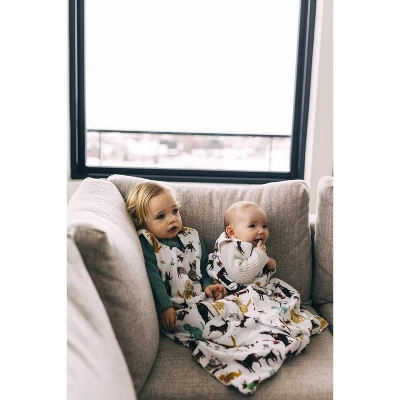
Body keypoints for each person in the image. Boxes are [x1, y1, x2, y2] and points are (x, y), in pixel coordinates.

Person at [126, 181, 227, 333]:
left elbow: (204, 267)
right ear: (141, 222)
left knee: (231, 309)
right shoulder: (148, 242)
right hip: (176, 306)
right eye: (161, 216)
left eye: (175, 211)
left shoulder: (193, 236)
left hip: (202, 299)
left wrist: (208, 286)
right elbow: (152, 277)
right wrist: (165, 306)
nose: (172, 219)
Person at [208, 201, 277, 289]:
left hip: (257, 288)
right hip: (232, 290)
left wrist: (268, 263)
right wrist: (260, 256)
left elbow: (256, 267)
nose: (261, 231)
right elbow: (239, 275)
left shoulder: (256, 246)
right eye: (252, 225)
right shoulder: (229, 247)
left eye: (264, 226)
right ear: (232, 232)